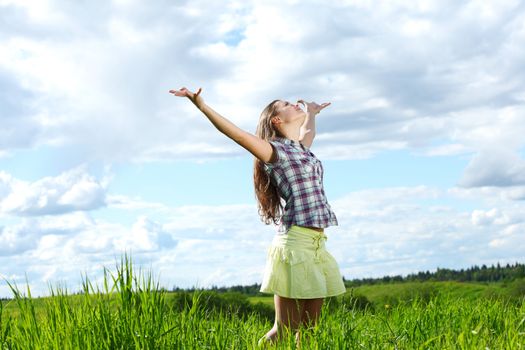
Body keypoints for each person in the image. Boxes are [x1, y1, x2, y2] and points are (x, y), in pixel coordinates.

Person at [169, 87, 346, 346]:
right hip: (294, 244)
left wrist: (313, 112)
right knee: (284, 329)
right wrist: (202, 106)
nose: (292, 102)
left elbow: (308, 131)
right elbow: (238, 136)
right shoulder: (273, 152)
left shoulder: (301, 149)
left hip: (316, 245)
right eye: (285, 103)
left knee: (308, 331)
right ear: (276, 120)